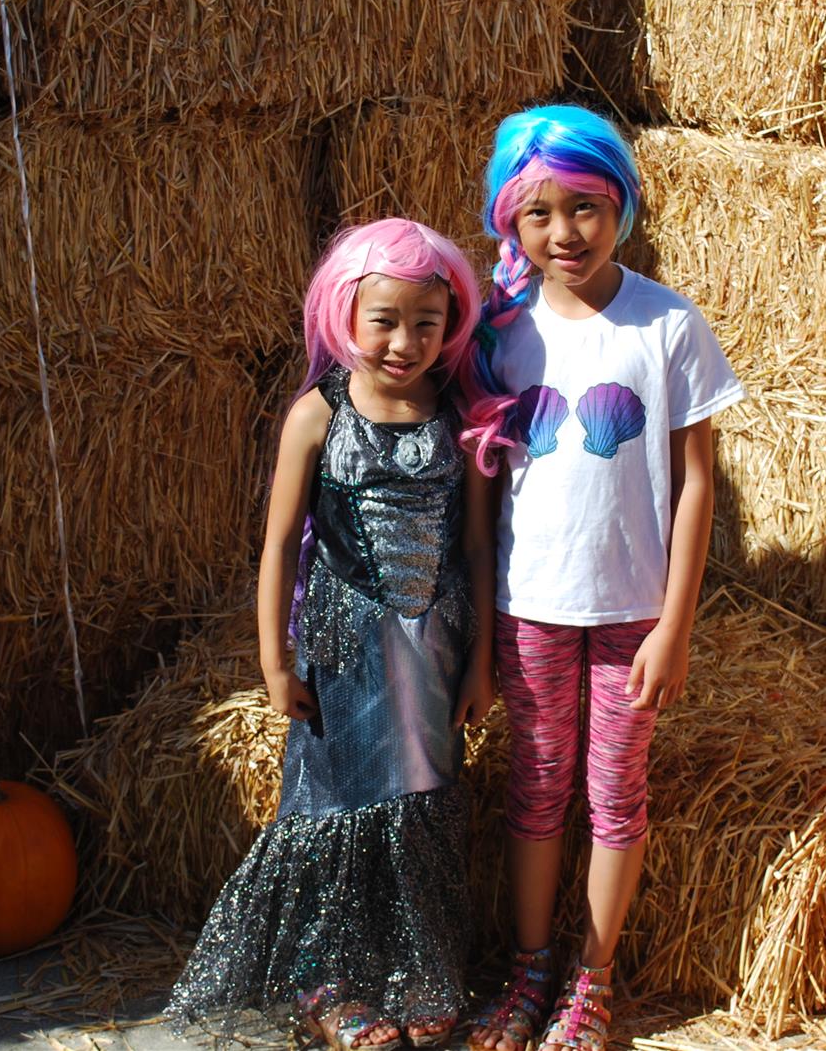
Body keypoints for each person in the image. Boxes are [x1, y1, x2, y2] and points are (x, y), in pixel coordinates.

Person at [166, 219, 497, 1051]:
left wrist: (482, 658)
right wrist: (274, 658)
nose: (405, 340)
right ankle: (328, 978)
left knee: (418, 794)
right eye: (384, 318)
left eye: (427, 321)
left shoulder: (459, 417)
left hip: (435, 641)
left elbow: (478, 545)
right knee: (336, 798)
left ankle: (414, 967)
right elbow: (279, 543)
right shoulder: (317, 414)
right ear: (344, 314)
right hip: (345, 643)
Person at [461, 107, 742, 1051]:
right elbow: (479, 486)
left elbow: (698, 481)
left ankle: (593, 975)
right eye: (536, 214)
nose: (563, 232)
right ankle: (531, 965)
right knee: (536, 786)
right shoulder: (502, 333)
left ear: (620, 202)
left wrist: (676, 625)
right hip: (529, 605)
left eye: (584, 206)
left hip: (631, 611)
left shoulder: (667, 323)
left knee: (616, 793)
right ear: (511, 223)